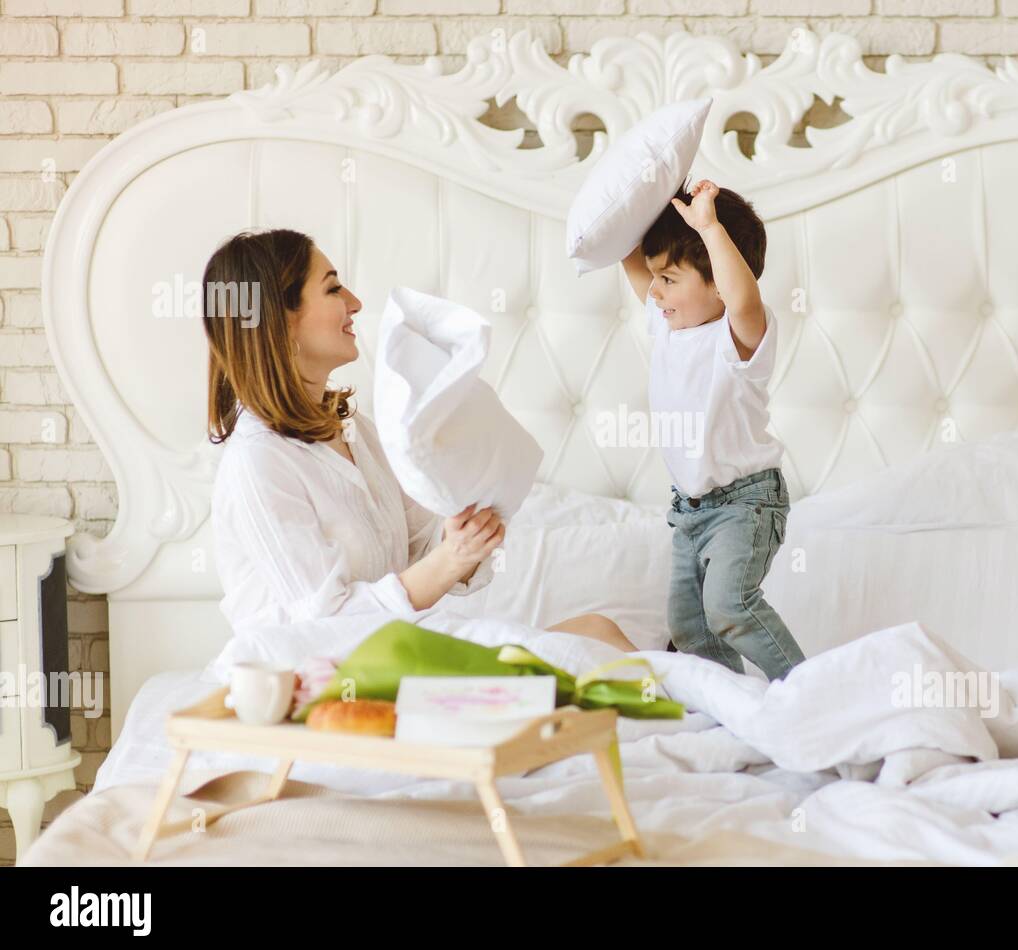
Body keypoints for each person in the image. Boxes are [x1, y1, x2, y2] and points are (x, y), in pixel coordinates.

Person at [202, 227, 635, 652]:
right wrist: (450, 561)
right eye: (333, 290)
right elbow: (324, 627)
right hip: (317, 685)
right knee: (592, 643)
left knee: (597, 632)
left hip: (391, 656)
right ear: (281, 318)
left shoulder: (356, 431)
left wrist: (463, 533)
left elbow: (420, 548)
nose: (355, 302)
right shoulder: (258, 462)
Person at [621, 179, 806, 681]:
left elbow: (743, 296)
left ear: (718, 285)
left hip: (745, 504)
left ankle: (811, 689)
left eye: (670, 279)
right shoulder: (668, 326)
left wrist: (709, 226)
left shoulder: (737, 337)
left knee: (729, 607)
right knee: (690, 627)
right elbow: (631, 259)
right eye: (657, 279)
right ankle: (728, 707)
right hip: (689, 510)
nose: (656, 292)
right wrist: (636, 204)